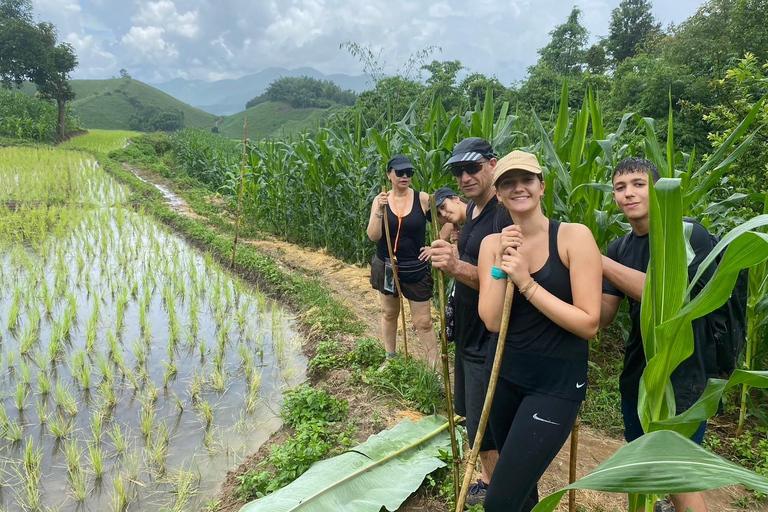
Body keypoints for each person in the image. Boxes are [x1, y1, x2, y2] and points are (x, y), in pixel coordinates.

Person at [476, 150, 602, 512]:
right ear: (498, 194)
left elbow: (588, 322)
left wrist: (527, 283)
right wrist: (502, 265)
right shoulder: (491, 245)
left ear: (541, 186)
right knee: (521, 494)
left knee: (498, 501)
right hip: (502, 378)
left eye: (526, 180)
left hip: (555, 387)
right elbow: (493, 321)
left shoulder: (572, 238)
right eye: (508, 183)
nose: (518, 188)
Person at [600, 157, 712, 512]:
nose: (628, 193)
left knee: (677, 472)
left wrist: (597, 259)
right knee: (647, 465)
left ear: (658, 190)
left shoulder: (687, 234)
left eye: (638, 184)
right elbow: (603, 316)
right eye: (620, 188)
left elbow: (664, 294)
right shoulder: (619, 248)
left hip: (683, 373)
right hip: (639, 373)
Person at [429, 138, 509, 505]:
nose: (464, 177)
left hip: (485, 338)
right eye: (458, 171)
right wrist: (454, 252)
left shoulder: (502, 214)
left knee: (484, 420)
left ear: (492, 165)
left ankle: (495, 486)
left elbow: (501, 280)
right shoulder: (475, 213)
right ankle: (488, 476)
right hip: (467, 332)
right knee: (472, 414)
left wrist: (456, 265)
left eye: (472, 168)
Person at [367, 154, 439, 369]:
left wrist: (436, 246)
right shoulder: (380, 200)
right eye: (400, 172)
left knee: (423, 322)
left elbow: (444, 222)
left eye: (409, 172)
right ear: (389, 175)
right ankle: (390, 358)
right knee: (389, 314)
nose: (405, 176)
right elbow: (373, 236)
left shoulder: (423, 199)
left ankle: (432, 369)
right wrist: (379, 210)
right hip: (387, 265)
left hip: (415, 268)